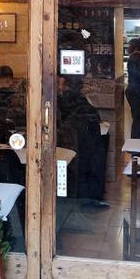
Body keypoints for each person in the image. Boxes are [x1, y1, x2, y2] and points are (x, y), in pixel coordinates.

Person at [58, 76, 106, 205]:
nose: (59, 87)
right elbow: (95, 117)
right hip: (87, 148)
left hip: (72, 148)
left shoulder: (65, 100)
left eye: (61, 84)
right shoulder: (81, 101)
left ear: (68, 86)